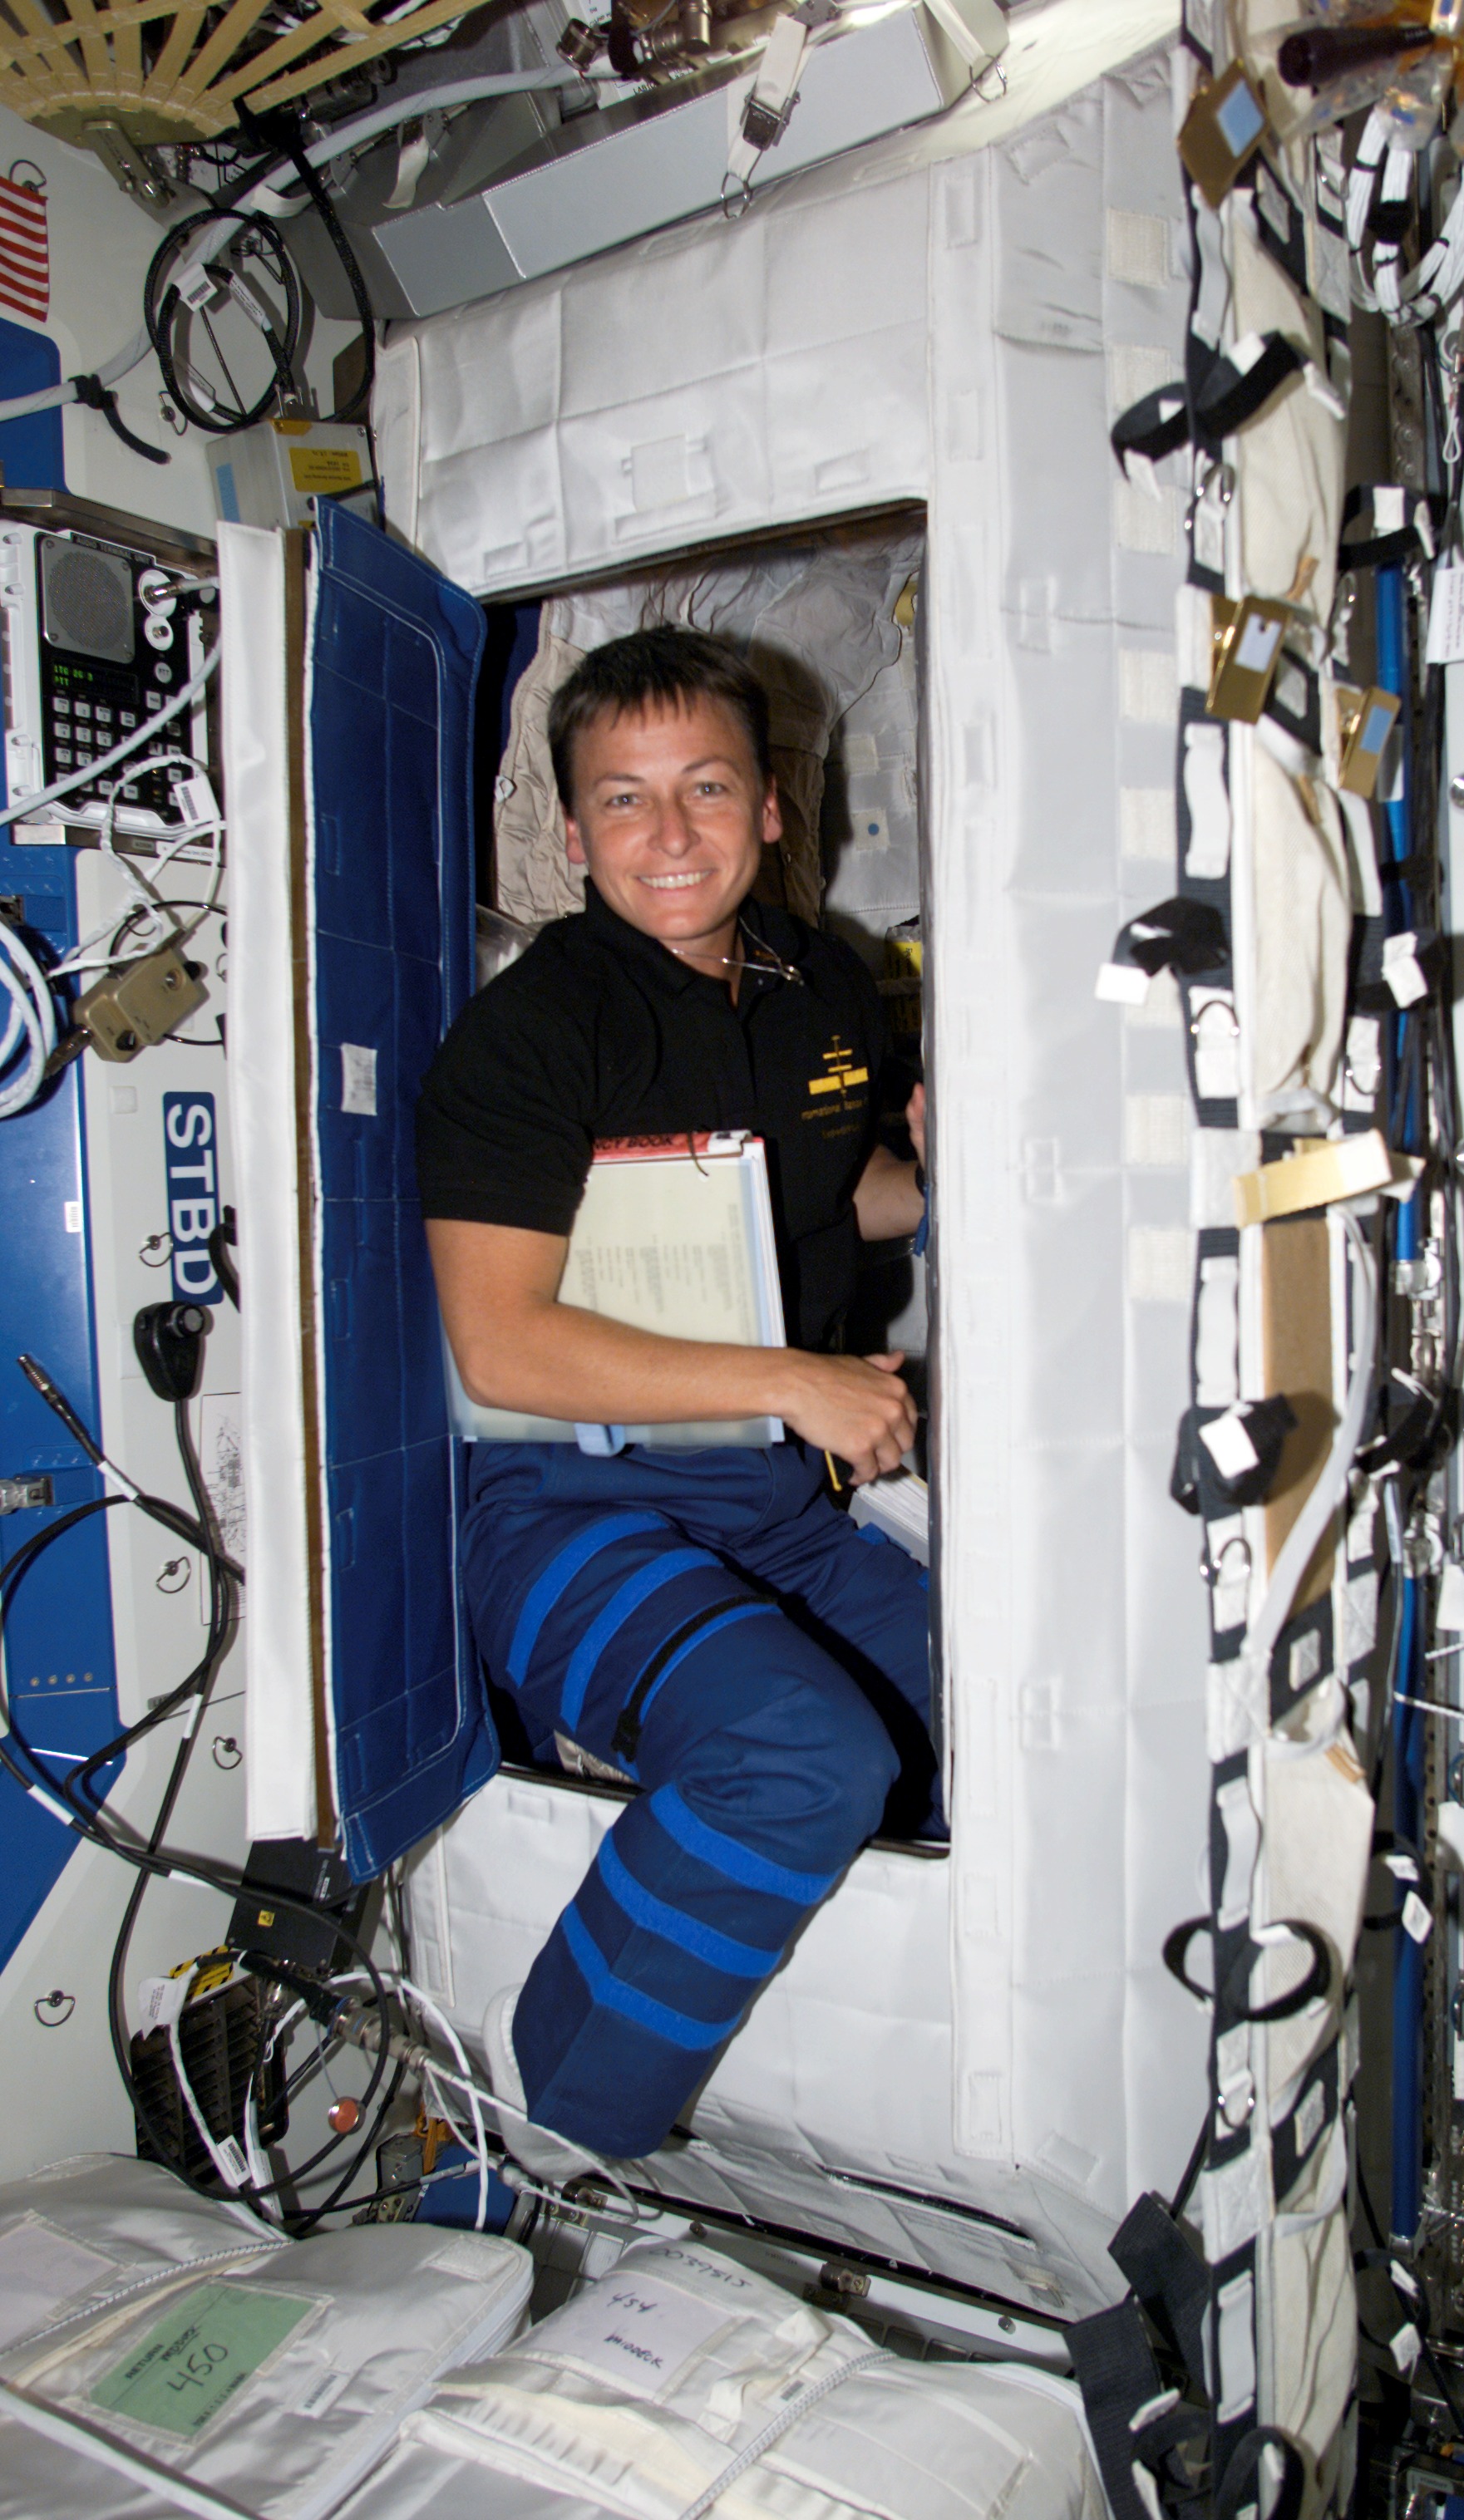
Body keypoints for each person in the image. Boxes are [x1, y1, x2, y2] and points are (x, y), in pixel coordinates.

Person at [416, 624, 936, 2163]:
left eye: (705, 787)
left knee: (988, 1721)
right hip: (566, 1509)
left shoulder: (828, 984)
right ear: (572, 836)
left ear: (772, 804)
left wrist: (951, 1169)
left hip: (766, 1507)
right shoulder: (532, 1037)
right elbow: (501, 1344)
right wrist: (800, 1379)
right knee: (803, 1755)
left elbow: (845, 1203)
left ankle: (595, 2060)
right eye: (625, 801)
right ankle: (552, 2162)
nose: (670, 835)